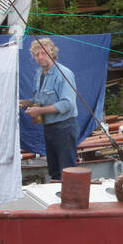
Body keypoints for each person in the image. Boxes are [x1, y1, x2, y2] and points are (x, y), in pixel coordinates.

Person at [17, 37, 79, 181]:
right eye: (36, 54)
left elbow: (67, 104)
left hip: (65, 127)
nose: (40, 57)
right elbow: (39, 101)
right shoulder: (39, 74)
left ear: (52, 53)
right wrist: (24, 103)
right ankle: (57, 194)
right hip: (49, 128)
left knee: (67, 171)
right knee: (54, 170)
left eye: (43, 53)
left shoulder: (63, 73)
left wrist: (38, 111)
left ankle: (70, 195)